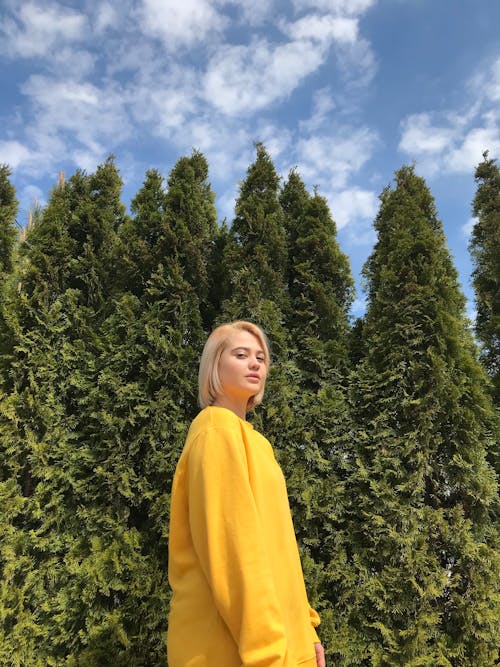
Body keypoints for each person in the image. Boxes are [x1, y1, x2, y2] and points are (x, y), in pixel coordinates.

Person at [167, 321, 326, 667]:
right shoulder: (215, 431)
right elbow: (233, 552)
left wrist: (306, 630)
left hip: (282, 644)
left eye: (261, 358)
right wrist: (268, 653)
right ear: (214, 365)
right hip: (234, 651)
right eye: (241, 355)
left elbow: (280, 549)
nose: (255, 363)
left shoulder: (257, 442)